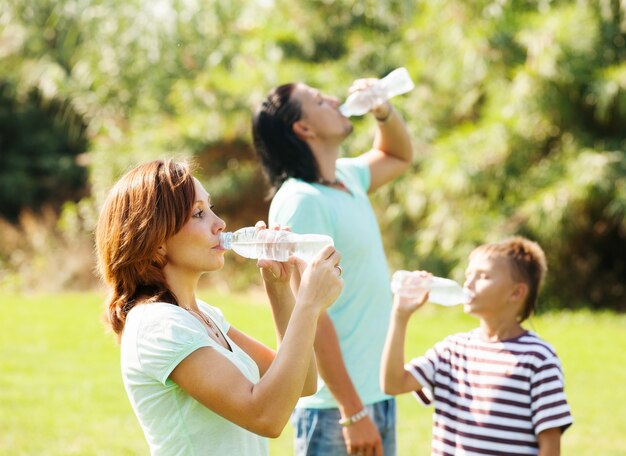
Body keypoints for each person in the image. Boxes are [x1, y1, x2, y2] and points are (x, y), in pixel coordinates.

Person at [95, 159, 344, 455]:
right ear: (157, 241)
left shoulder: (202, 315)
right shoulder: (158, 324)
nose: (220, 224)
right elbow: (266, 416)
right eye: (199, 214)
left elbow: (302, 382)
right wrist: (308, 304)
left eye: (211, 208)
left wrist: (279, 290)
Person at [252, 77, 413, 455]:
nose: (335, 99)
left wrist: (383, 110)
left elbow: (399, 155)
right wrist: (352, 411)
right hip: (336, 411)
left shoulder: (346, 178)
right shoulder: (301, 200)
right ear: (303, 128)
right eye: (320, 100)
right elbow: (312, 312)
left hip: (373, 395)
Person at [381, 237, 573, 455]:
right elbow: (393, 384)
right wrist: (400, 316)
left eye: (483, 276)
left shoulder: (538, 358)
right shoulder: (452, 350)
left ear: (516, 293)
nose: (469, 283)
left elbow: (550, 443)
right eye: (468, 275)